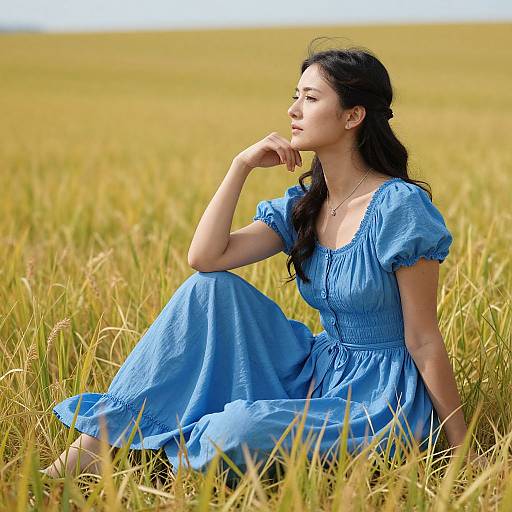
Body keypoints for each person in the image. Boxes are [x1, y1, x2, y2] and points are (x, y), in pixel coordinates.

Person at [42, 44, 479, 480]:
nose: (293, 110)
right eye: (295, 95)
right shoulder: (307, 205)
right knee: (208, 289)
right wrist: (241, 166)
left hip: (379, 399)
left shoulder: (399, 208)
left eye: (310, 98)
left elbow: (423, 339)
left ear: (353, 116)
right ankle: (88, 454)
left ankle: (176, 443)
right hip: (317, 367)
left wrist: (463, 451)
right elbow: (206, 258)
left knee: (234, 431)